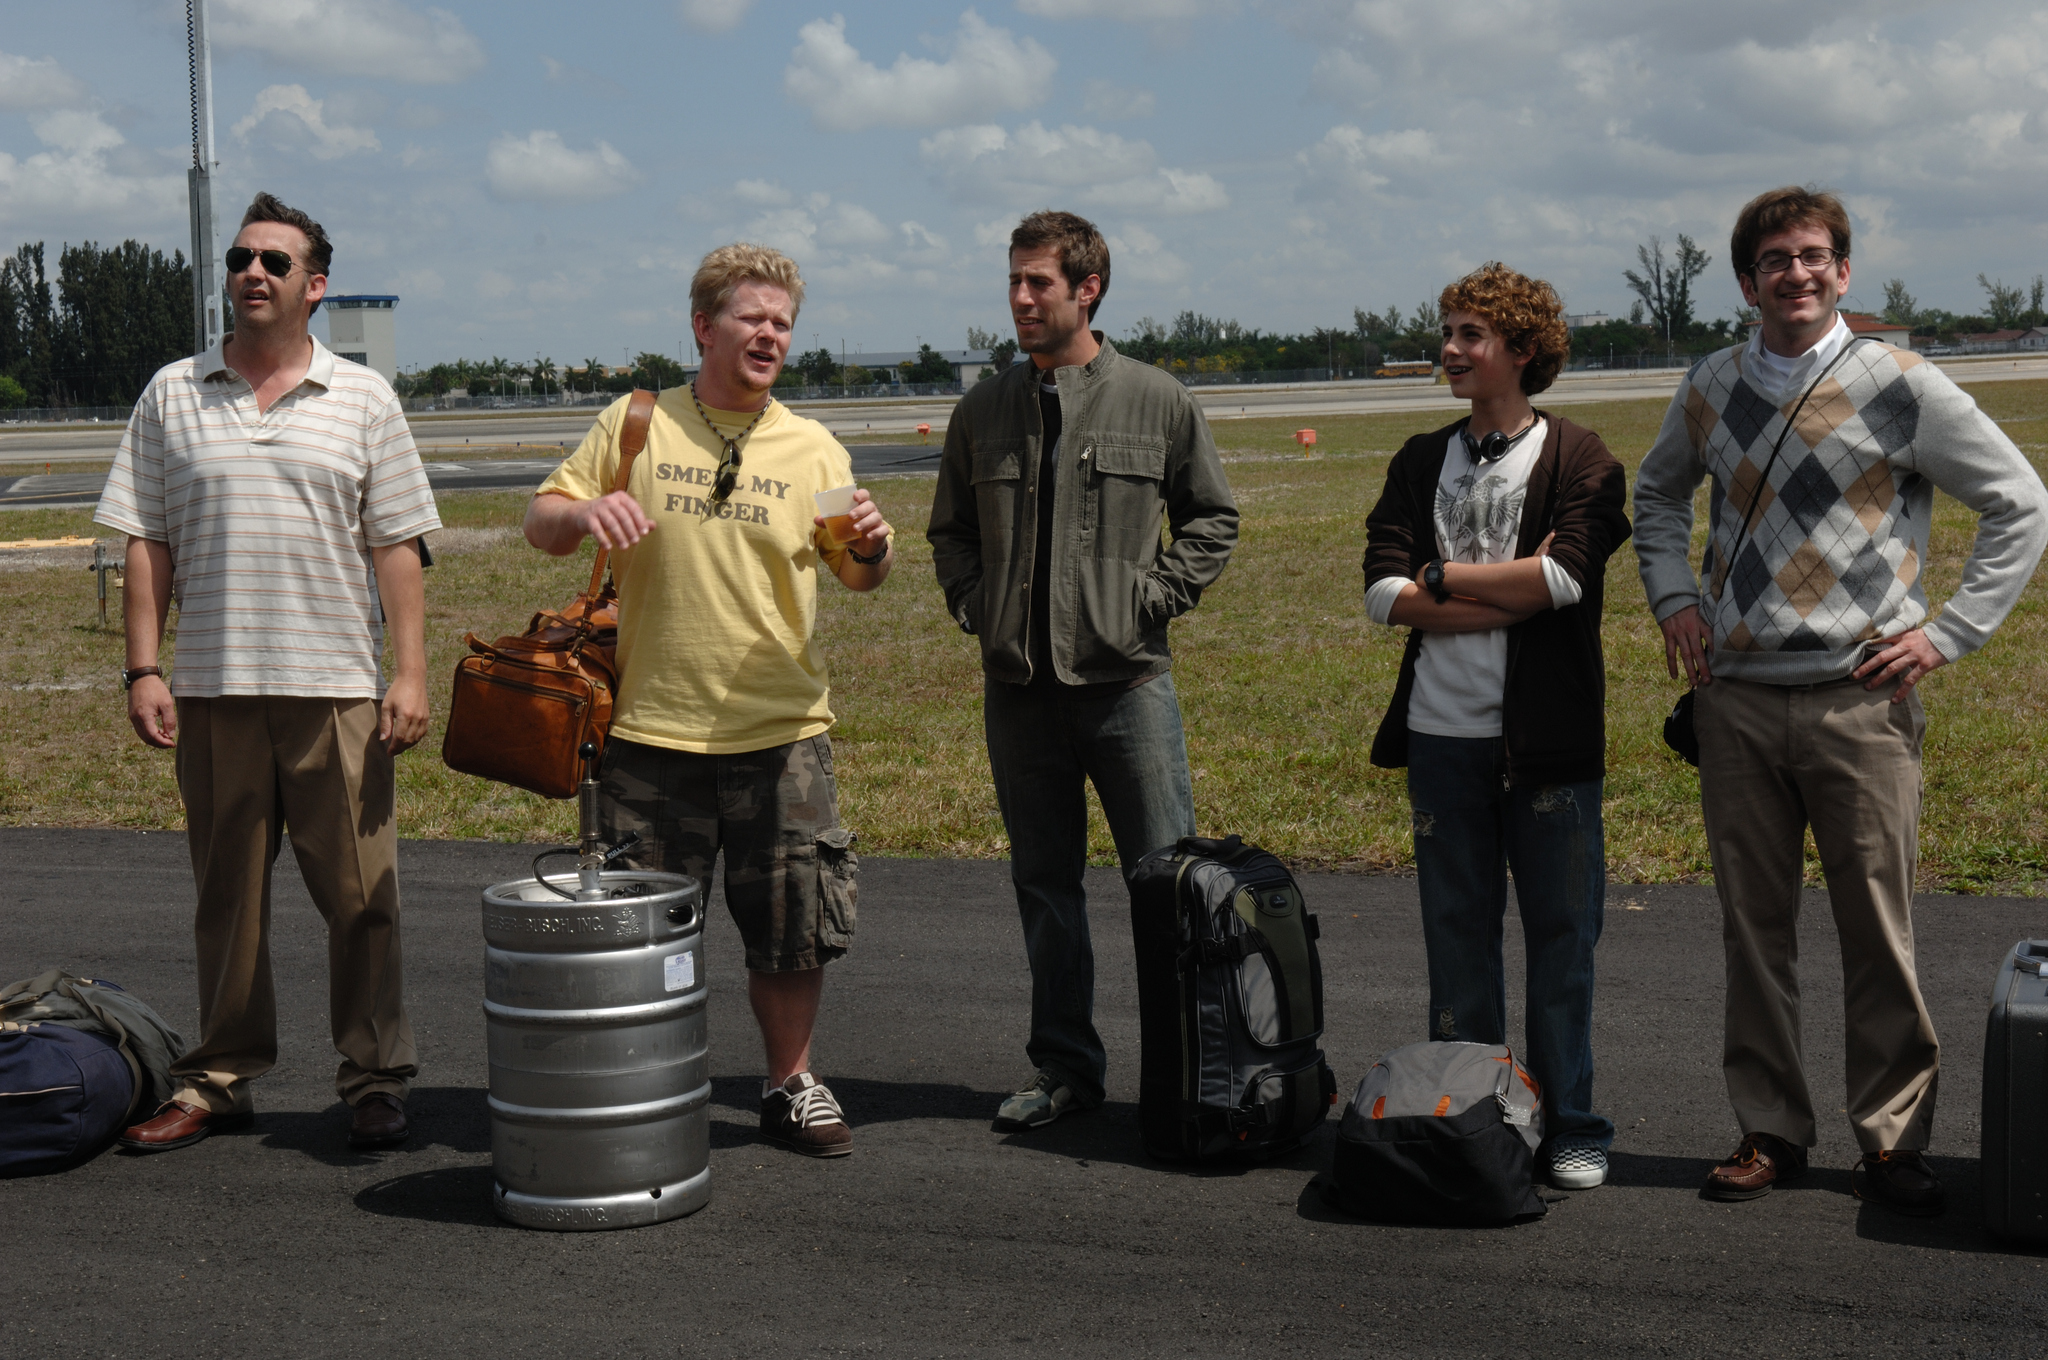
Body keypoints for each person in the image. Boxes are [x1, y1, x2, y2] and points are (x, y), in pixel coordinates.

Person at [1634, 187, 2048, 1215]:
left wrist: (1946, 632)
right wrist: (1673, 597)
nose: (1797, 273)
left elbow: (2018, 502)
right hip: (1734, 699)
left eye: (1815, 256)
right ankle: (1768, 1127)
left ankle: (1892, 1140)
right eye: (1775, 259)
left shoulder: (1900, 384)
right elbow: (1653, 496)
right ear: (1747, 281)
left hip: (1859, 701)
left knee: (1878, 928)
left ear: (1843, 272)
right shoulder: (1709, 384)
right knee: (1751, 928)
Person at [524, 243, 891, 1158]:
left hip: (782, 733)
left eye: (783, 323)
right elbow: (542, 521)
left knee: (793, 926)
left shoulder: (813, 447)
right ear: (702, 327)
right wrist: (582, 514)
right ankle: (654, 1086)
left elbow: (856, 573)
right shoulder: (637, 423)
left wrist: (876, 546)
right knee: (645, 935)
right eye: (751, 318)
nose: (770, 335)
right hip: (653, 734)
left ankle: (789, 1082)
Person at [99, 192, 440, 1153]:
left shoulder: (363, 397)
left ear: (315, 287)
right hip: (212, 689)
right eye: (241, 258)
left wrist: (407, 674)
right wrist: (142, 667)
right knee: (227, 901)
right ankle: (218, 1078)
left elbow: (398, 549)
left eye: (275, 262)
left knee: (364, 899)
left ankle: (374, 1077)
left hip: (334, 688)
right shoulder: (173, 391)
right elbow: (145, 542)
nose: (253, 271)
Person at [928, 210, 1239, 1131]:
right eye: (1014, 282)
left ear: (1087, 288)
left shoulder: (1157, 397)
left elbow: (1212, 518)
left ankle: (1191, 1072)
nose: (1020, 300)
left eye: (1039, 283)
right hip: (1020, 694)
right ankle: (1064, 1068)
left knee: (1169, 884)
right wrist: (978, 607)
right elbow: (949, 531)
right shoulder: (983, 408)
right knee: (1045, 888)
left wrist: (1148, 601)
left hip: (1127, 687)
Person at [1361, 263, 1632, 1190]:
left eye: (1471, 335)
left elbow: (1566, 581)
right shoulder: (1416, 457)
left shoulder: (1581, 457)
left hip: (1548, 745)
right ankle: (1475, 1118)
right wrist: (1487, 591)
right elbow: (1381, 593)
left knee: (1563, 941)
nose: (1449, 348)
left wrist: (1441, 579)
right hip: (1440, 739)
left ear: (1522, 350)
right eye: (1447, 330)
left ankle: (1572, 1123)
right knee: (1456, 937)